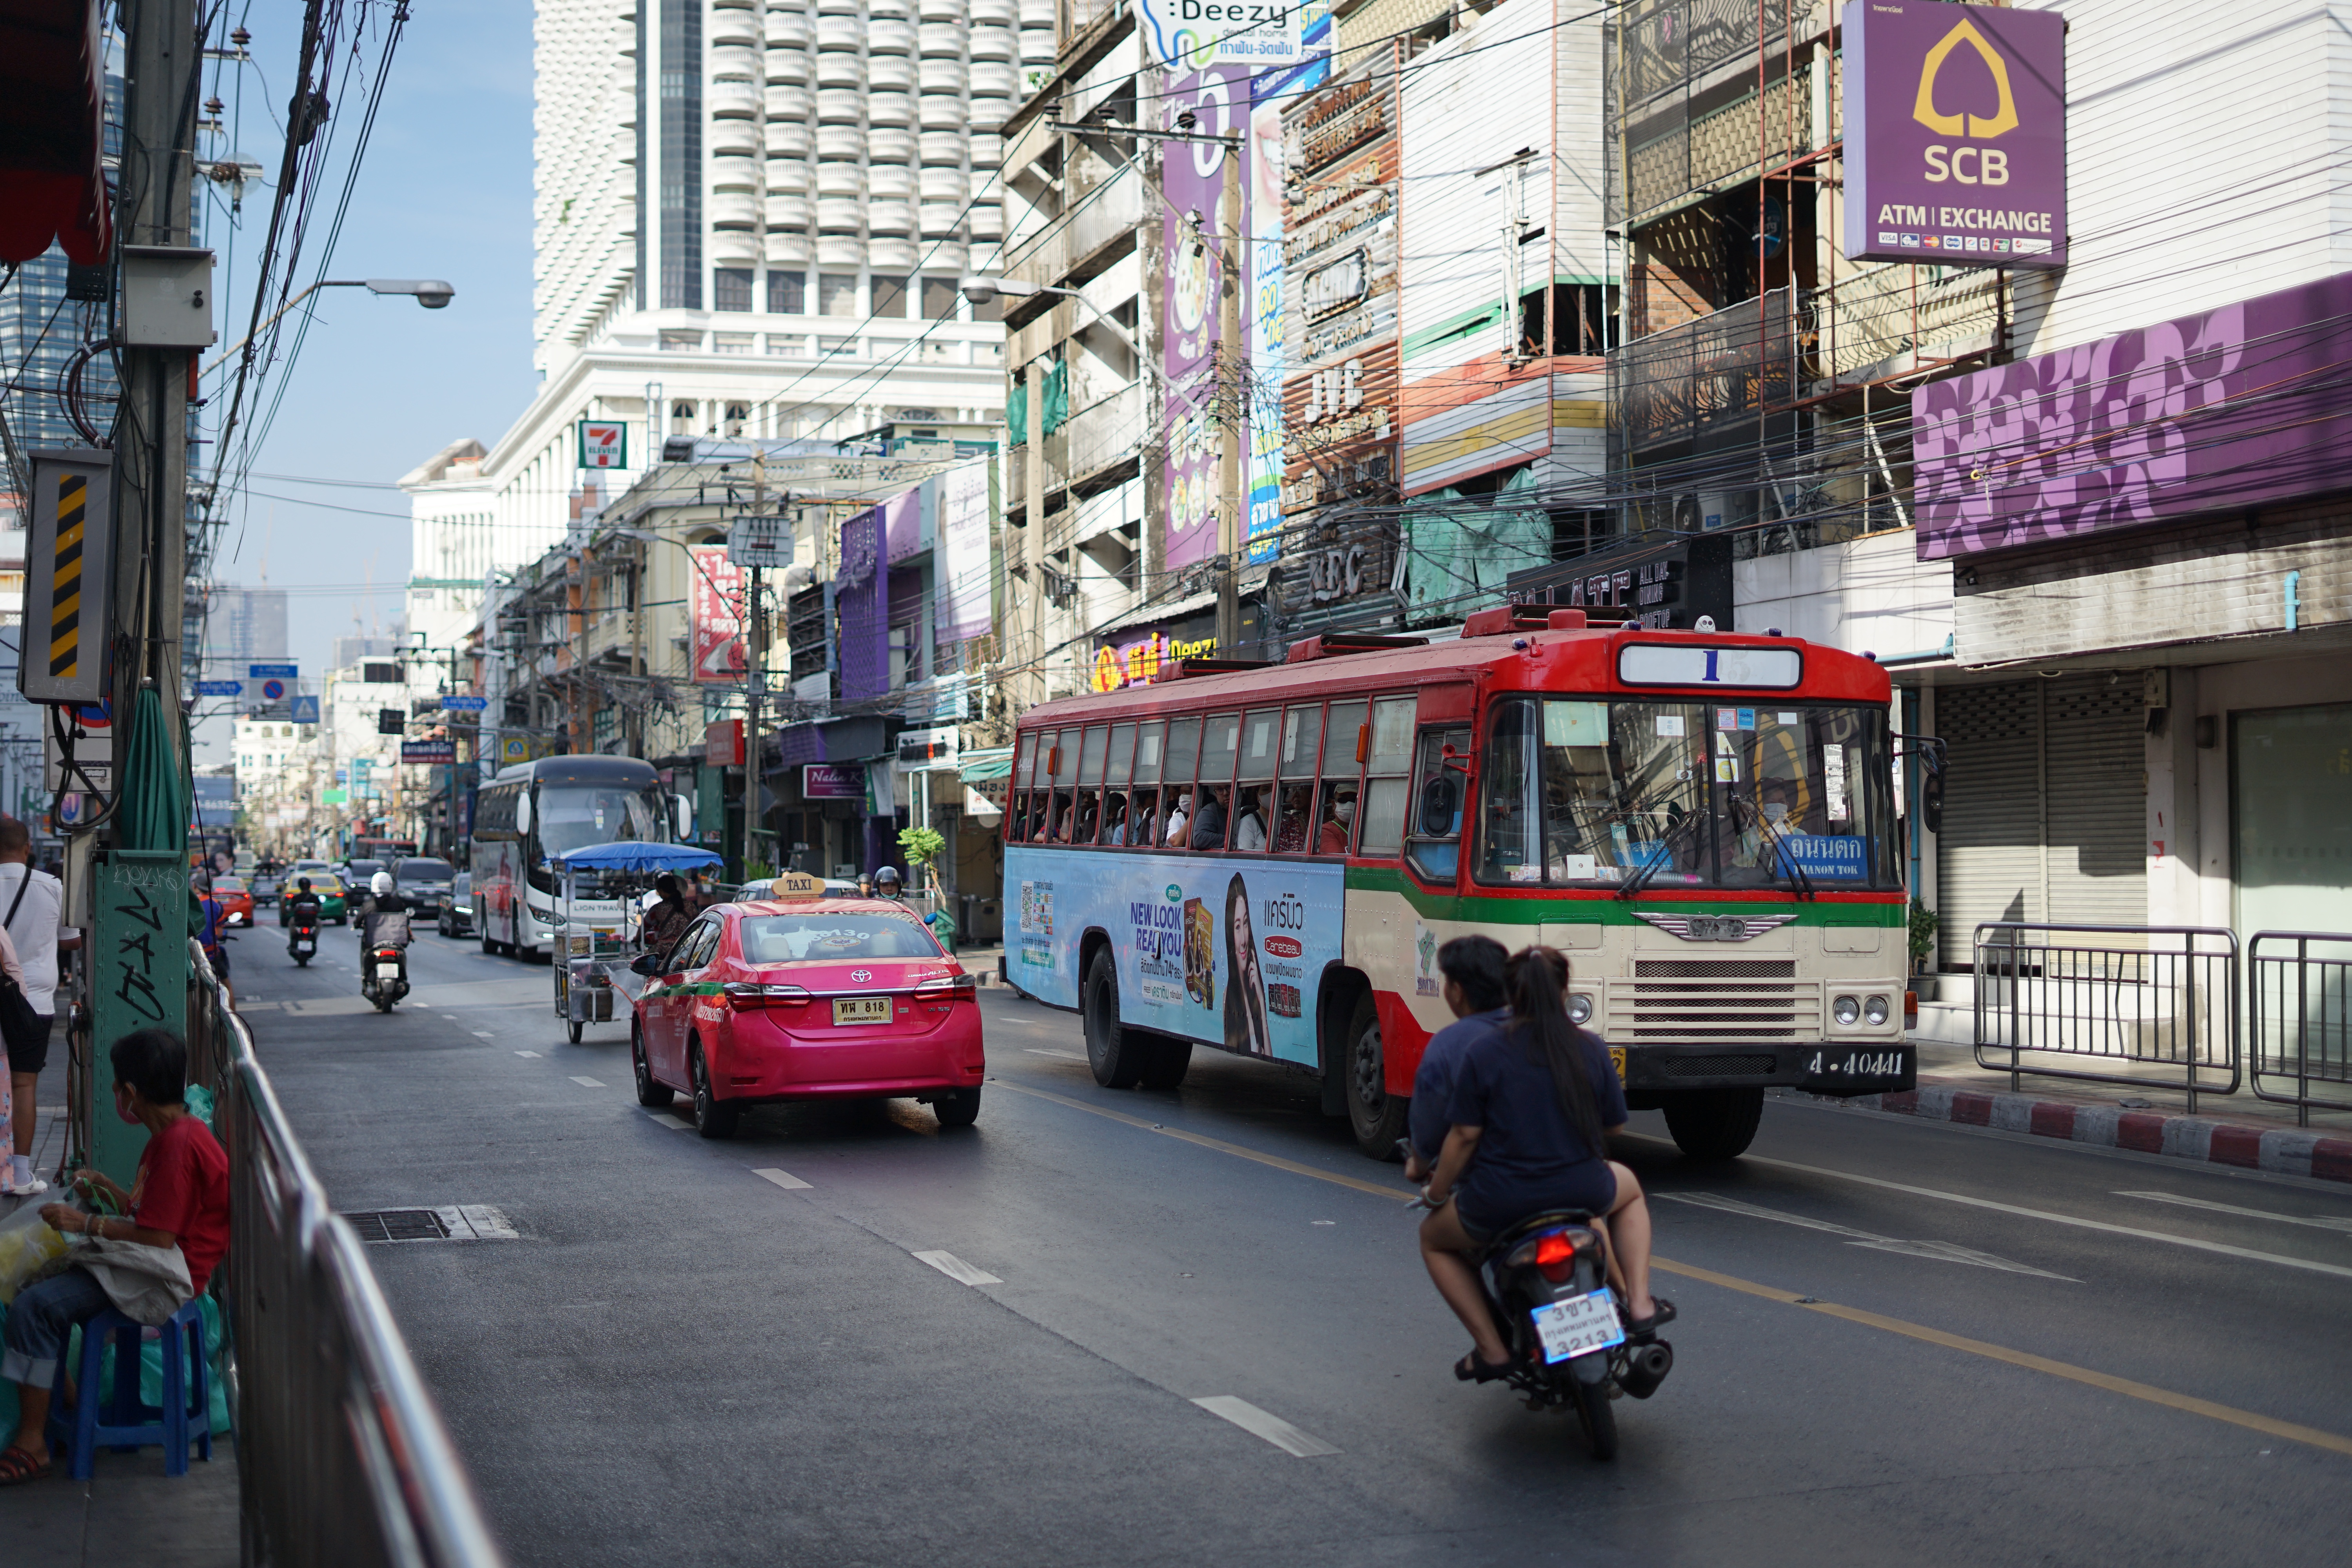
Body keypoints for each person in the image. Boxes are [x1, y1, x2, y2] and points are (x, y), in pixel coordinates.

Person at [1417, 946, 1669, 1382]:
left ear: (1511, 994)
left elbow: (1463, 1137)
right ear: (1564, 990)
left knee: (1433, 1240)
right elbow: (1615, 1130)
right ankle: (1642, 1303)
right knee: (1629, 1192)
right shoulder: (1590, 1047)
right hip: (1582, 1190)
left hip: (1501, 1201)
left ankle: (1493, 1350)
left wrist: (1436, 1193)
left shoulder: (1484, 1051)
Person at [0, 1028, 231, 1486]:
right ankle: (67, 1405)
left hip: (164, 1280)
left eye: (116, 1084)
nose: (114, 1093)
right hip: (151, 1263)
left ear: (129, 1092)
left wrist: (82, 1223)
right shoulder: (170, 1136)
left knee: (33, 1307)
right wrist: (104, 1186)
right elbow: (150, 1213)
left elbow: (160, 1237)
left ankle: (34, 1441)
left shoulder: (179, 1146)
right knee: (27, 1286)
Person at [0, 817, 74, 1197]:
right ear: (27, 848)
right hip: (34, 998)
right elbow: (71, 942)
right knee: (24, 1083)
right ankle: (22, 1174)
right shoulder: (52, 886)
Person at [1402, 936, 1511, 1177]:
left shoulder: (1448, 1045)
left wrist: (1418, 1167)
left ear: (1457, 992)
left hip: (1491, 1187)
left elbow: (1431, 1128)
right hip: (1566, 1182)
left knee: (1435, 1217)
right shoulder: (1543, 1035)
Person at [194, 872, 232, 1011]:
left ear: (195, 886)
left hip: (194, 955)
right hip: (212, 954)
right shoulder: (217, 905)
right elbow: (220, 933)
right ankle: (233, 1017)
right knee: (227, 987)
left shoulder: (192, 903)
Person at [640, 873, 691, 960]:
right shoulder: (690, 906)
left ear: (661, 891)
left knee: (646, 963)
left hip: (663, 951)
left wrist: (637, 939)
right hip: (688, 948)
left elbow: (644, 926)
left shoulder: (657, 909)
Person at [1318, 785, 1357, 855]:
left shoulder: (1364, 830)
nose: (1349, 804)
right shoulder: (1327, 831)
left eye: (1353, 801)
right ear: (1333, 804)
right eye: (1342, 800)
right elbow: (1337, 861)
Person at [1189, 785, 1229, 851]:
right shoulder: (1211, 810)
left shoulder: (1247, 806)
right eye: (1220, 790)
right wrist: (1233, 841)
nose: (1225, 793)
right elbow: (1200, 839)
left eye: (1229, 787)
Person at [1232, 788, 1269, 852]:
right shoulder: (1247, 822)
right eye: (1265, 789)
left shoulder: (1288, 820)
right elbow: (1245, 857)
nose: (1270, 793)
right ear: (1257, 795)